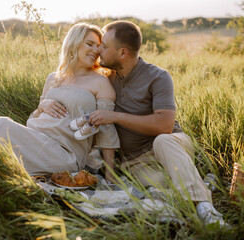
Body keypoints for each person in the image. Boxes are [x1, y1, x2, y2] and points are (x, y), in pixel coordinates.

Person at [86, 20, 226, 226]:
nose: (99, 50)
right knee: (162, 185)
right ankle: (188, 195)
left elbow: (164, 126)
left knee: (162, 141)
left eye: (105, 47)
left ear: (123, 53)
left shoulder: (158, 77)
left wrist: (115, 117)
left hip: (172, 144)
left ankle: (207, 211)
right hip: (136, 162)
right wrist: (48, 102)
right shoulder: (105, 78)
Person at [0, 23, 119, 181]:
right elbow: (32, 121)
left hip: (64, 153)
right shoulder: (53, 78)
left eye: (98, 46)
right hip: (37, 138)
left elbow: (106, 130)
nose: (96, 50)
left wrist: (110, 175)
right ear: (73, 44)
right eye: (90, 44)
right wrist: (42, 106)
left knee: (0, 126)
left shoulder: (100, 82)